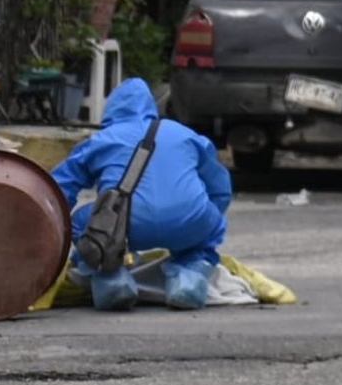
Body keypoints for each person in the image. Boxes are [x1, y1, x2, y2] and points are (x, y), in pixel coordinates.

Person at [51, 78, 232, 311]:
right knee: (210, 225)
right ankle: (188, 279)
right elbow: (220, 188)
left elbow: (59, 191)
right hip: (189, 222)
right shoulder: (184, 134)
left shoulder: (101, 140)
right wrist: (202, 219)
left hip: (125, 228)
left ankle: (112, 279)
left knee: (79, 223)